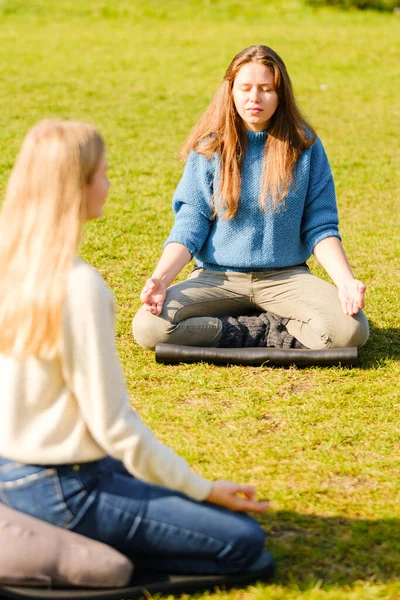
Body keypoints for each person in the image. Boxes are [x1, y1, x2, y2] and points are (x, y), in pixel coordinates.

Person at [0, 120, 274, 577]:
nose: (108, 185)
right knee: (244, 543)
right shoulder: (78, 287)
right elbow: (116, 429)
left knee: (148, 486)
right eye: (103, 174)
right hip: (66, 490)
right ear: (78, 187)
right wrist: (202, 489)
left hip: (10, 475)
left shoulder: (11, 266)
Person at [133, 45, 369, 351]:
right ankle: (247, 330)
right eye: (245, 88)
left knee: (351, 331)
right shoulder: (209, 148)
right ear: (230, 91)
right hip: (217, 279)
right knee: (149, 327)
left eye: (265, 89)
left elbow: (320, 227)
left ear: (280, 95)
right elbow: (191, 223)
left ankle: (271, 327)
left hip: (286, 278)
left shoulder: (305, 146)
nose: (254, 98)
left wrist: (346, 282)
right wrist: (161, 278)